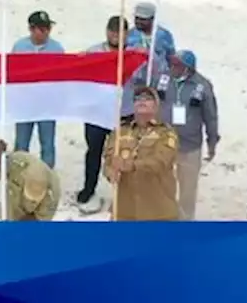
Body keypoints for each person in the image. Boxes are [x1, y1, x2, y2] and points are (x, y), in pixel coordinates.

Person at [103, 86, 179, 221]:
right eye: (138, 99)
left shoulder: (166, 133)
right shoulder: (120, 131)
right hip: (125, 211)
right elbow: (108, 159)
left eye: (148, 99)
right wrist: (110, 171)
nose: (142, 101)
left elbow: (160, 162)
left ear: (156, 106)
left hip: (157, 211)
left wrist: (132, 166)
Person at [77, 15, 129, 208]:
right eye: (112, 30)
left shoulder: (133, 53)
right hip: (97, 111)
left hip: (122, 113)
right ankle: (88, 188)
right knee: (93, 151)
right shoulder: (94, 51)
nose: (115, 35)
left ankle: (123, 193)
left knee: (124, 153)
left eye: (119, 32)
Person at [162, 50, 218, 220]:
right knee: (164, 185)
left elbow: (211, 115)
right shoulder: (163, 79)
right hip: (164, 144)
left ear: (188, 68)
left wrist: (212, 140)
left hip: (189, 146)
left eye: (177, 65)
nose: (172, 67)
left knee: (188, 188)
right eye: (171, 63)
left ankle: (185, 221)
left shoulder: (203, 86)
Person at [11, 10, 65, 168]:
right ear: (31, 29)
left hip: (47, 104)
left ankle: (47, 178)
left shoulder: (57, 48)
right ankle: (19, 176)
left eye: (47, 28)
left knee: (47, 143)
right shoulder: (20, 46)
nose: (46, 32)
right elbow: (11, 71)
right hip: (24, 103)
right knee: (21, 142)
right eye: (41, 29)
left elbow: (63, 75)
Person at [0, 140, 60, 221]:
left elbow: (39, 220)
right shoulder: (17, 162)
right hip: (10, 204)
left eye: (34, 201)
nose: (31, 200)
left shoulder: (53, 192)